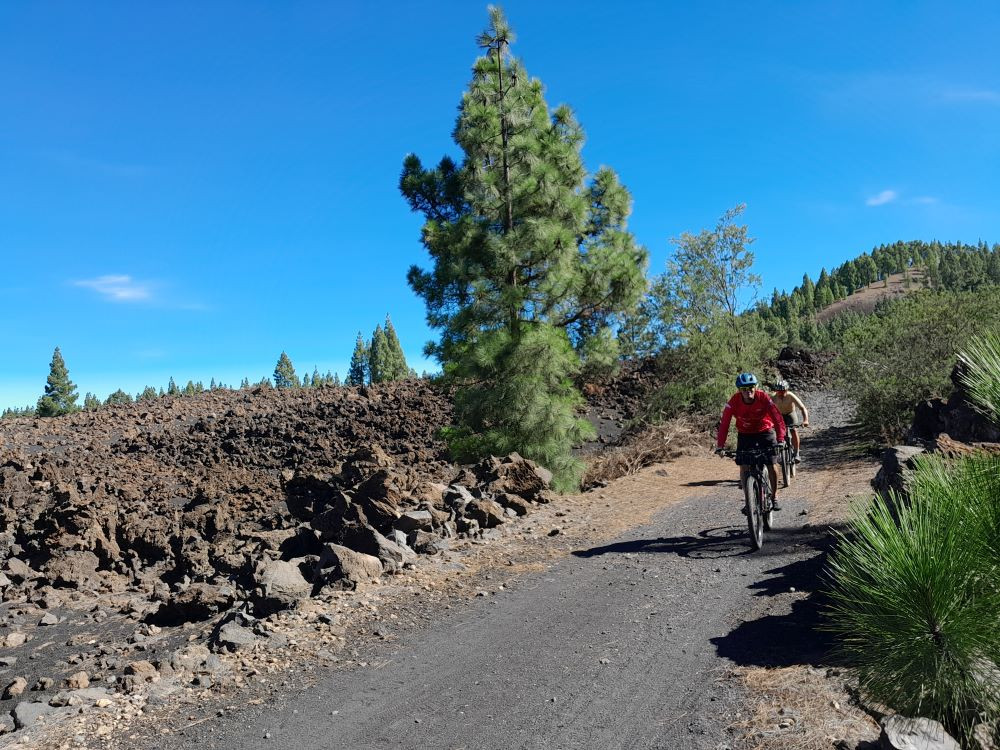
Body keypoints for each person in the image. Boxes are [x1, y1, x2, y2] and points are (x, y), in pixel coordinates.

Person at [714, 372, 787, 510]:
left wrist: (780, 439)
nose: (748, 391)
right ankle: (748, 501)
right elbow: (724, 424)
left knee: (771, 462)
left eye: (751, 387)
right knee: (744, 464)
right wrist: (720, 445)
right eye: (744, 389)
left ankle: (775, 496)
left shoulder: (763, 397)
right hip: (745, 434)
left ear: (756, 386)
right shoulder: (734, 402)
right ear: (739, 390)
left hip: (765, 431)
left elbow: (777, 419)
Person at [770, 379, 809, 462]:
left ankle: (796, 453)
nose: (781, 393)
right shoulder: (773, 397)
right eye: (779, 391)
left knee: (793, 430)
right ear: (776, 391)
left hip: (790, 413)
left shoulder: (790, 395)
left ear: (787, 390)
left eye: (783, 391)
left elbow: (802, 408)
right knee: (778, 431)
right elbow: (766, 410)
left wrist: (805, 420)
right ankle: (780, 454)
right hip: (779, 415)